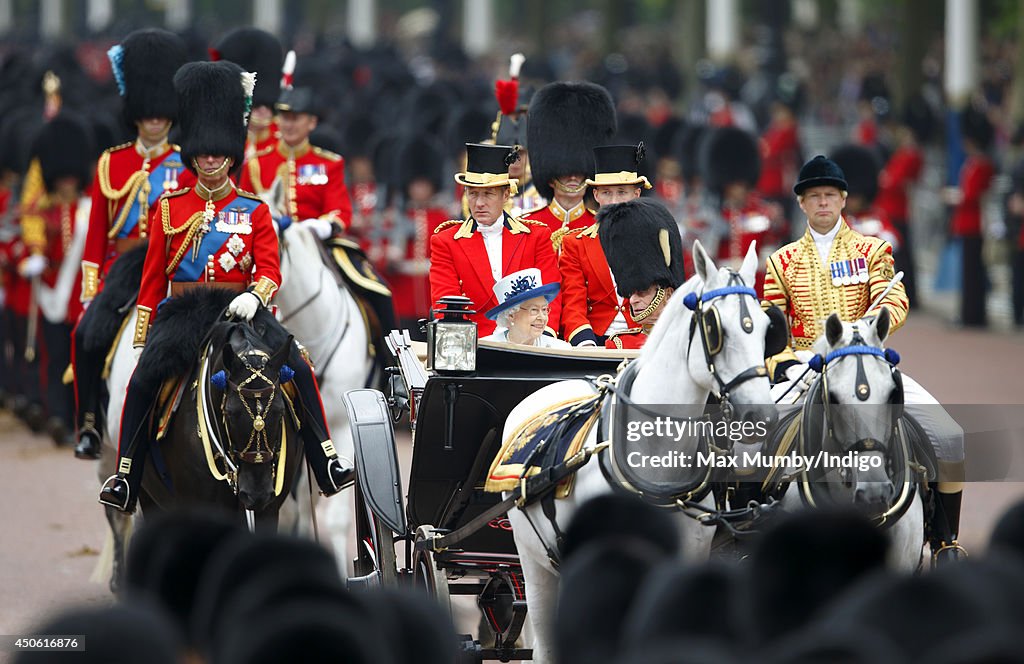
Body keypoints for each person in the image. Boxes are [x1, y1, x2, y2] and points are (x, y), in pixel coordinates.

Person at [98, 61, 352, 514]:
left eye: (218, 153)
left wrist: (256, 295)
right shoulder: (169, 208)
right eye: (204, 153)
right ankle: (126, 475)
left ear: (230, 154)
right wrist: (144, 335)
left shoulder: (253, 210)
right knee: (141, 383)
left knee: (298, 364)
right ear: (194, 154)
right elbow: (154, 277)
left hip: (242, 312)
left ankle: (325, 461)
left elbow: (271, 270)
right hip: (184, 314)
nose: (211, 160)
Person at [763, 154, 966, 562]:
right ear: (801, 203)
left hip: (868, 362)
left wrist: (878, 321)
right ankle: (748, 534)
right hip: (806, 367)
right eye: (814, 196)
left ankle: (945, 541)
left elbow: (894, 295)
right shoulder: (780, 260)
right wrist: (781, 361)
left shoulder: (872, 250)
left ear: (843, 200)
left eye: (830, 196)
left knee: (950, 436)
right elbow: (773, 321)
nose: (823, 203)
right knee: (748, 441)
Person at [73, 28, 190, 459]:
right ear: (136, 112)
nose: (155, 120)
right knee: (87, 336)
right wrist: (90, 291)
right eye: (148, 114)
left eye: (161, 113)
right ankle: (87, 423)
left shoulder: (186, 161)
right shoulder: (113, 162)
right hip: (125, 270)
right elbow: (95, 236)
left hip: (172, 267)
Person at [430, 143, 560, 338]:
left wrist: (543, 338)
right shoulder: (445, 241)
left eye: (488, 194)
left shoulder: (536, 236)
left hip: (529, 344)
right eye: (473, 193)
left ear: (506, 195)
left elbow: (552, 296)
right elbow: (445, 304)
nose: (479, 203)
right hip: (475, 346)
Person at [19, 111, 95, 445]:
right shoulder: (45, 210)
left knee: (81, 364)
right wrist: (34, 255)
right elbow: (33, 234)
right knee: (54, 361)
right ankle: (59, 418)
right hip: (53, 297)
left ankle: (81, 421)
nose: (66, 181)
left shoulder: (88, 207)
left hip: (81, 298)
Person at [558, 144, 649, 346]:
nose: (614, 201)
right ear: (596, 195)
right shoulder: (575, 244)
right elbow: (573, 304)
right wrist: (585, 343)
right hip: (592, 340)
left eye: (622, 192)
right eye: (607, 193)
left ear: (636, 194)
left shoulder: (654, 239)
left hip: (642, 342)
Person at [239, 85, 352, 237]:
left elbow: (339, 211)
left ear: (312, 122)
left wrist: (320, 227)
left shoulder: (329, 164)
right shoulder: (257, 162)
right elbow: (243, 209)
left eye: (295, 118)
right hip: (267, 242)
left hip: (315, 241)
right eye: (285, 118)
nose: (289, 125)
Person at [523, 82, 617, 250]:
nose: (573, 176)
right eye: (564, 172)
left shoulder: (603, 228)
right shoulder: (526, 227)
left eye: (580, 172)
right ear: (551, 179)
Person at [697, 126, 784, 294]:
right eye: (733, 185)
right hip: (722, 287)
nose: (738, 190)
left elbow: (773, 251)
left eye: (741, 185)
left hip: (756, 287)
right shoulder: (713, 213)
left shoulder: (763, 212)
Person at [598, 198, 686, 350]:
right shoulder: (619, 344)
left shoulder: (685, 340)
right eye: (632, 293)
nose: (632, 300)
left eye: (642, 291)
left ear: (669, 294)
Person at [876, 97, 932, 307]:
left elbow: (895, 181)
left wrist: (884, 179)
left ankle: (909, 294)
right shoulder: (903, 153)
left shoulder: (911, 155)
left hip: (898, 209)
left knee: (903, 255)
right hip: (892, 208)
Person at [945, 106, 995, 328]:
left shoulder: (982, 165)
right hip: (966, 223)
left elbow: (971, 195)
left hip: (974, 223)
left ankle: (973, 315)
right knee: (969, 273)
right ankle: (969, 312)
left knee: (973, 273)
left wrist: (953, 196)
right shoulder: (974, 163)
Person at [210, 28, 285, 159]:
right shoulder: (214, 140)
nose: (262, 111)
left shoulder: (287, 139)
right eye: (257, 106)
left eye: (265, 106)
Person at [482, 268, 569, 348]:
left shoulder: (560, 349)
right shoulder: (485, 349)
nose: (542, 317)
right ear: (511, 315)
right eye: (534, 310)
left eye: (544, 310)